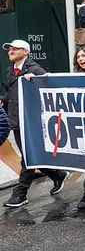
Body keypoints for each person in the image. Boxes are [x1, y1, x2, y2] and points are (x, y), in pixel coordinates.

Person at [1, 40, 69, 208]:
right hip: (16, 121)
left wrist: (37, 80)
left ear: (25, 51)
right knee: (32, 156)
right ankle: (58, 175)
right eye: (9, 49)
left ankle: (20, 193)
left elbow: (50, 88)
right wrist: (2, 100)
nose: (10, 51)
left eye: (15, 48)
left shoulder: (35, 70)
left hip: (31, 122)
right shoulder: (11, 71)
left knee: (28, 157)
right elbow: (12, 96)